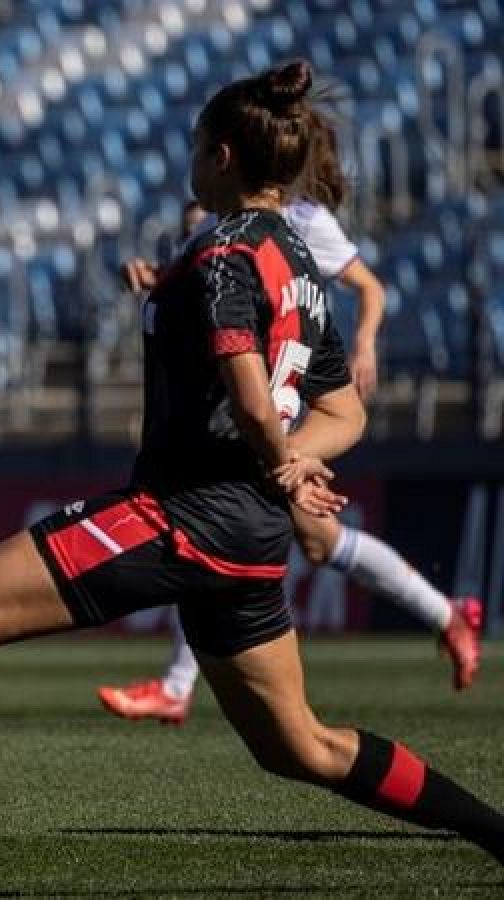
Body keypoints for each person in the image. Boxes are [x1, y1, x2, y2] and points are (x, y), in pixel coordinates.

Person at [0, 61, 504, 900]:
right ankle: (497, 834)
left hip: (185, 512)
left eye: (192, 147)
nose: (187, 160)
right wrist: (291, 464)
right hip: (246, 537)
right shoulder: (296, 257)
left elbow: (252, 396)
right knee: (299, 747)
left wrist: (278, 462)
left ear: (219, 155)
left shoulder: (221, 253)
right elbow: (345, 411)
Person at [100, 110, 480, 727]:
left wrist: (361, 346)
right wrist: (153, 279)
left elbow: (370, 287)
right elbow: (200, 293)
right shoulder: (223, 223)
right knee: (313, 539)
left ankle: (177, 685)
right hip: (237, 401)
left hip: (277, 404)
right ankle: (447, 614)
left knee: (217, 519)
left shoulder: (303, 222)